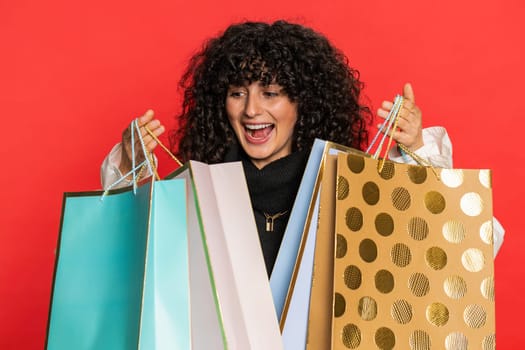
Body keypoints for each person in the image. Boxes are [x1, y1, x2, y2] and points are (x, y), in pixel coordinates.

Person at [101, 20, 499, 275]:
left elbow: (443, 253)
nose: (251, 109)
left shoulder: (345, 187)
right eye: (237, 93)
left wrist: (416, 150)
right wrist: (132, 168)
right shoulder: (196, 192)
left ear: (302, 103)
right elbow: (128, 262)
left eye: (271, 93)